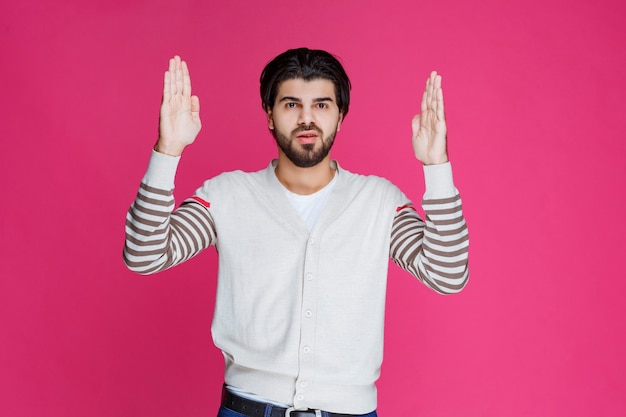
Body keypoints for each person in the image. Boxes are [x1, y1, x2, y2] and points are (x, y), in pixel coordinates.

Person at [123, 48, 469, 417]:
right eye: (291, 105)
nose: (307, 119)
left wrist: (436, 166)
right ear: (270, 115)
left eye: (322, 105)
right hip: (247, 408)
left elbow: (446, 275)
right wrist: (168, 151)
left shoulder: (378, 202)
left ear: (340, 117)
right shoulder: (228, 196)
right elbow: (145, 255)